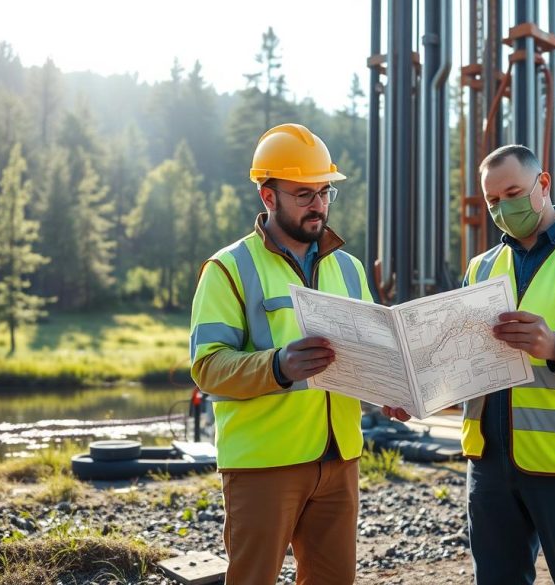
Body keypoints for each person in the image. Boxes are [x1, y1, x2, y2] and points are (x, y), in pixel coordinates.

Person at [389, 144, 555, 584]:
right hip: (490, 464)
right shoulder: (480, 268)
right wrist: (420, 394)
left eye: (512, 192)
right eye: (492, 201)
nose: (502, 208)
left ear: (543, 184)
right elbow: (463, 361)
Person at [189, 123, 372, 585]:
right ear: (267, 197)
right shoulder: (229, 268)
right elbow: (208, 367)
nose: (319, 205)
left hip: (340, 458)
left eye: (325, 192)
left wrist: (391, 389)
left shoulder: (349, 268)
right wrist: (278, 366)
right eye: (303, 194)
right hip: (263, 464)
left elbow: (370, 351)